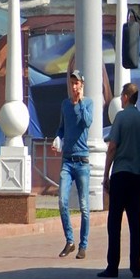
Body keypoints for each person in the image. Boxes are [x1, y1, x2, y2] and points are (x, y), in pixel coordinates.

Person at [97, 83, 140, 278]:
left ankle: (113, 267)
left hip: (120, 175)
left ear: (126, 97)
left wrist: (105, 174)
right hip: (136, 177)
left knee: (114, 223)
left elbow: (112, 147)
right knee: (135, 224)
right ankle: (136, 267)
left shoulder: (120, 117)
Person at [52, 69, 93, 259]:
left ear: (82, 85)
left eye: (77, 83)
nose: (74, 86)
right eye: (72, 83)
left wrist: (81, 101)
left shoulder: (89, 103)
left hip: (82, 161)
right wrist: (57, 139)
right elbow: (62, 128)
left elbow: (86, 122)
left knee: (84, 206)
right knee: (62, 201)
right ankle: (70, 240)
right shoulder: (64, 105)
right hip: (67, 161)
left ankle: (83, 245)